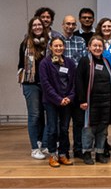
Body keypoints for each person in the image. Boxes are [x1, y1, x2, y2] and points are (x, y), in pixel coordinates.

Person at [76, 36, 111, 165]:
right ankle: (87, 153)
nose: (97, 48)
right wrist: (82, 100)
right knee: (89, 129)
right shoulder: (84, 61)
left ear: (103, 48)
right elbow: (79, 81)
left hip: (105, 101)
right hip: (90, 102)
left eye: (100, 46)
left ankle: (99, 153)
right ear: (89, 47)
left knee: (103, 128)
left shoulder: (106, 61)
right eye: (94, 45)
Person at [40, 37, 77, 167]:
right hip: (51, 101)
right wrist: (58, 99)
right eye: (55, 46)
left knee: (64, 129)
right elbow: (45, 84)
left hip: (67, 102)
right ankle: (52, 155)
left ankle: (62, 154)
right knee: (52, 129)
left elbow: (73, 83)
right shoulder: (45, 63)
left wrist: (69, 98)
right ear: (50, 47)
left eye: (60, 46)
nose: (58, 48)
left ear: (64, 47)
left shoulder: (70, 63)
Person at [19, 16, 49, 159]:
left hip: (47, 85)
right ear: (31, 28)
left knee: (49, 115)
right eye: (34, 25)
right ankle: (34, 148)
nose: (37, 27)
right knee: (35, 115)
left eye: (40, 25)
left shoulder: (48, 44)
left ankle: (43, 144)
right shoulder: (25, 44)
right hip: (31, 85)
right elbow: (21, 65)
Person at [60, 15, 88, 159]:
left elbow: (83, 65)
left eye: (73, 24)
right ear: (62, 25)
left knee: (78, 123)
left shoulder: (80, 41)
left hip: (77, 88)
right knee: (64, 124)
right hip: (63, 89)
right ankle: (63, 150)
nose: (70, 26)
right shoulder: (57, 42)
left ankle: (78, 149)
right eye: (68, 24)